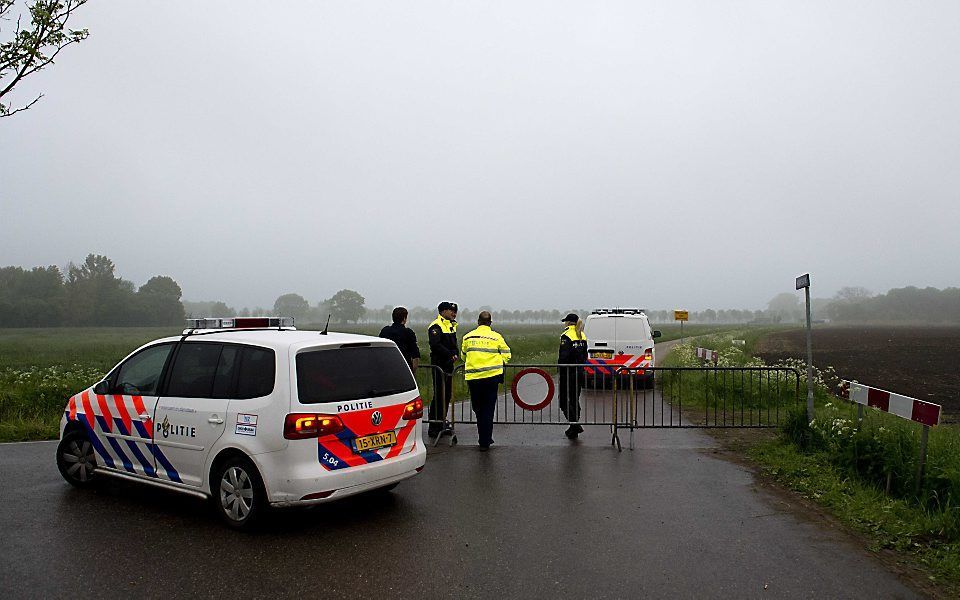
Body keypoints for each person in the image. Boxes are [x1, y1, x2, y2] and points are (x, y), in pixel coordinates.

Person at [461, 311, 511, 451]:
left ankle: (483, 437)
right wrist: (499, 362)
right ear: (490, 323)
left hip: (474, 378)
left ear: (478, 322)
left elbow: (463, 356)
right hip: (491, 378)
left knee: (478, 409)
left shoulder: (468, 337)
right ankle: (485, 440)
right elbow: (507, 354)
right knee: (488, 409)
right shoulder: (496, 337)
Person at [427, 301, 459, 438]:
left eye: (455, 311)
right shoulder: (436, 326)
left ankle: (442, 422)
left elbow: (454, 343)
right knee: (439, 395)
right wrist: (450, 354)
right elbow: (436, 345)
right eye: (450, 310)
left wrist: (455, 353)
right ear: (442, 311)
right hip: (439, 364)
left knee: (446, 395)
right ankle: (434, 426)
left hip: (449, 365)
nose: (453, 313)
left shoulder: (451, 326)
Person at [558, 313, 588, 439]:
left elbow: (563, 357)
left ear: (568, 322)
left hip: (568, 373)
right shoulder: (582, 335)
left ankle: (575, 425)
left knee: (564, 401)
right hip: (579, 372)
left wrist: (560, 369)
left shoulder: (566, 335)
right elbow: (585, 355)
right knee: (575, 399)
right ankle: (573, 429)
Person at [378, 306, 420, 371]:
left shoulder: (385, 331)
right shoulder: (408, 332)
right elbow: (415, 355)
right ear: (404, 319)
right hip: (403, 369)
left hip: (386, 368)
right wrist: (412, 371)